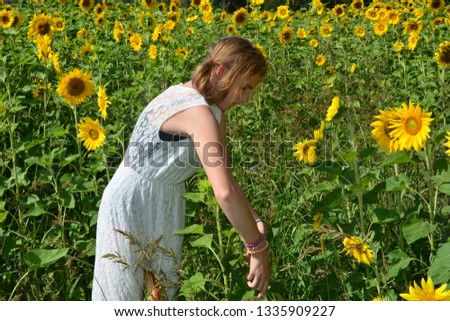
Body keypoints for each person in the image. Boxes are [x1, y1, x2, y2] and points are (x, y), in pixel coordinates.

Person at [92, 36, 270, 301]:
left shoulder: (214, 111)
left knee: (159, 298)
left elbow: (226, 179)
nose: (245, 98)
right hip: (131, 203)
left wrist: (255, 221)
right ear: (220, 71)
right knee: (121, 301)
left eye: (250, 90)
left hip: (163, 201)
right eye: (244, 87)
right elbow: (223, 193)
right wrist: (257, 248)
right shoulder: (197, 111)